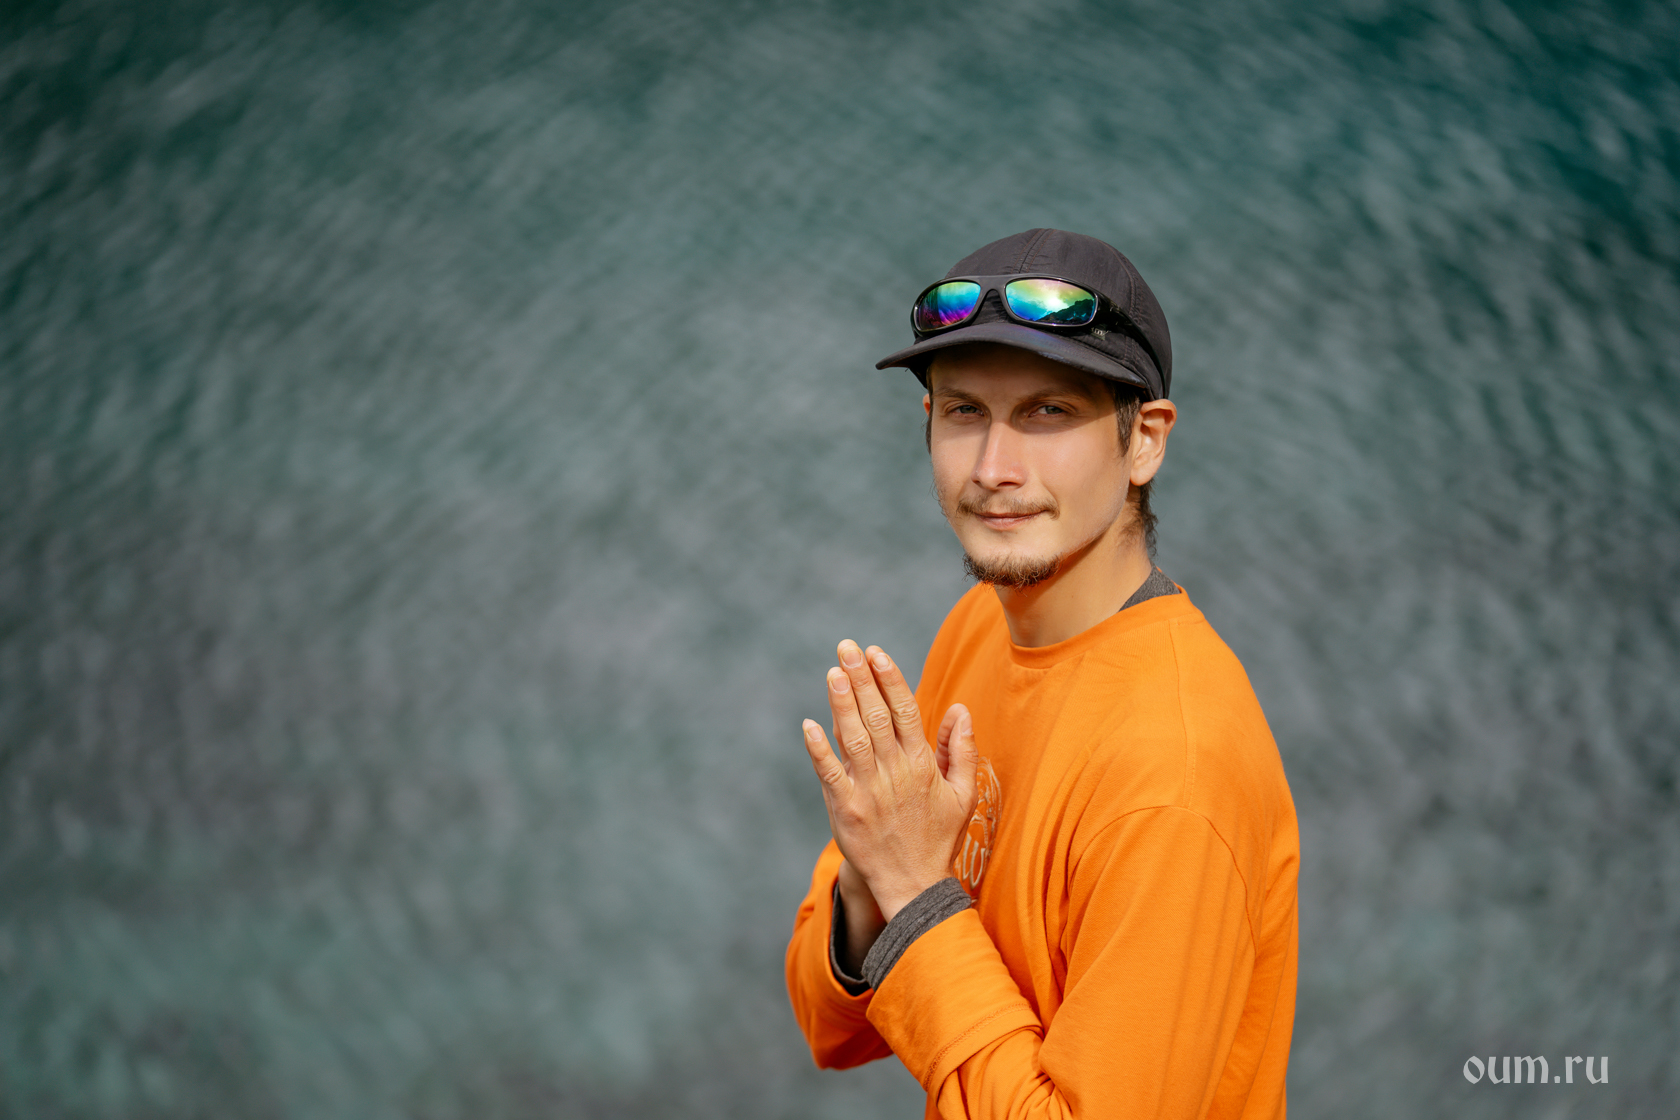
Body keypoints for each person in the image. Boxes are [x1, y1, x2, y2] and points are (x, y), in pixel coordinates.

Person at [784, 229, 1299, 1119]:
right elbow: (832, 1028)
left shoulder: (1175, 777)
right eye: (965, 412)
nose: (994, 470)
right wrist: (871, 880)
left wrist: (915, 893)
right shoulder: (981, 625)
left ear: (1145, 442)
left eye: (1049, 412)